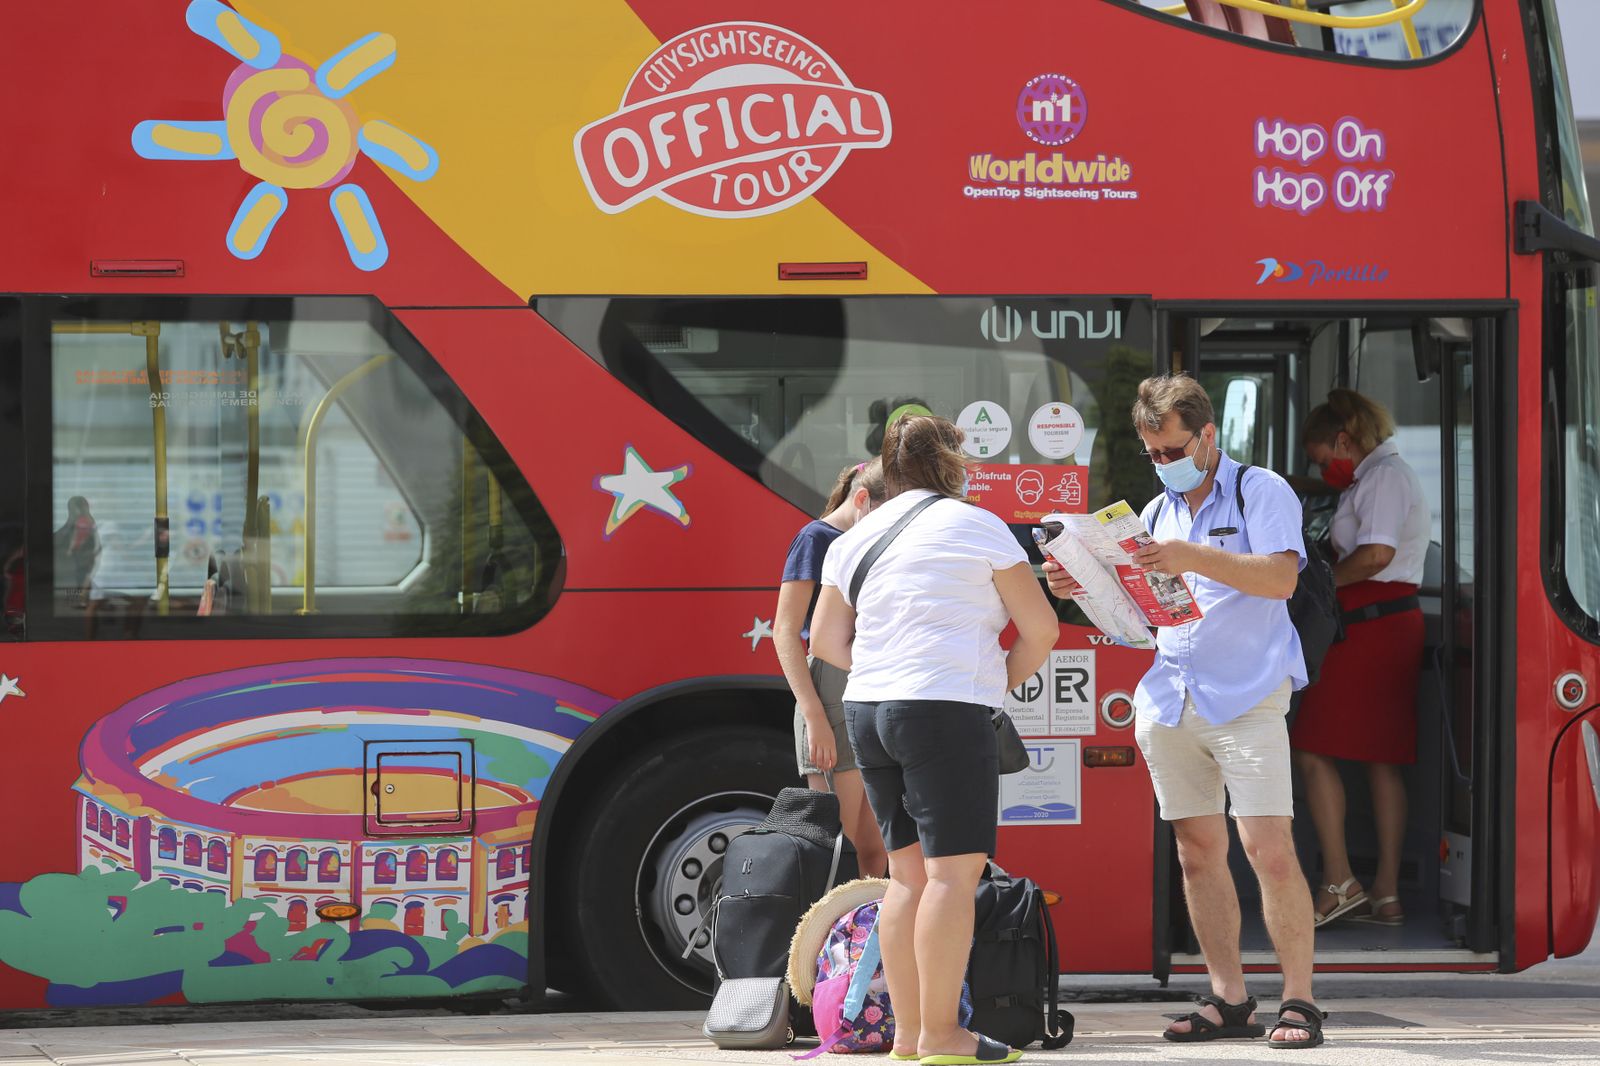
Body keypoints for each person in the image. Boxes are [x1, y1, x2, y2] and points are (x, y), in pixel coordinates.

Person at [1044, 374, 1326, 1048]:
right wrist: (1075, 585)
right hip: (1172, 695)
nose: (1163, 464)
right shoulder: (1156, 514)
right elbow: (1143, 615)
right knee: (1197, 853)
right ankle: (1229, 997)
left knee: (1269, 852)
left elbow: (1283, 578)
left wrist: (1193, 555)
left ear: (1207, 436)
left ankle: (1301, 1001)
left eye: (1172, 451)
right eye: (1152, 455)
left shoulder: (1261, 490)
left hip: (1249, 695)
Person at [810, 414, 1058, 1066]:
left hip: (868, 708)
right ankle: (946, 1036)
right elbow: (1041, 629)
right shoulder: (979, 526)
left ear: (887, 470)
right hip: (944, 709)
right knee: (952, 878)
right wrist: (996, 679)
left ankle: (909, 1035)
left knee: (905, 878)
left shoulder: (855, 538)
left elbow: (827, 643)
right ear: (954, 465)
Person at [1290, 390, 1429, 929]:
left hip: (1372, 627)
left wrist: (1314, 586)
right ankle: (1385, 893)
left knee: (1312, 750)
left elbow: (1376, 555)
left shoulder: (1384, 478)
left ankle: (1341, 881)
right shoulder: (1370, 478)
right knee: (1380, 760)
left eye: (1325, 458)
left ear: (1344, 440)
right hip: (1384, 625)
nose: (1326, 470)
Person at [773, 459, 890, 878]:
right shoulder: (815, 538)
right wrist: (813, 715)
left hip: (871, 683)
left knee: (877, 847)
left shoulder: (867, 538)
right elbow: (784, 632)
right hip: (829, 688)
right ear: (862, 499)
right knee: (840, 848)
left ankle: (867, 941)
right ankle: (832, 942)